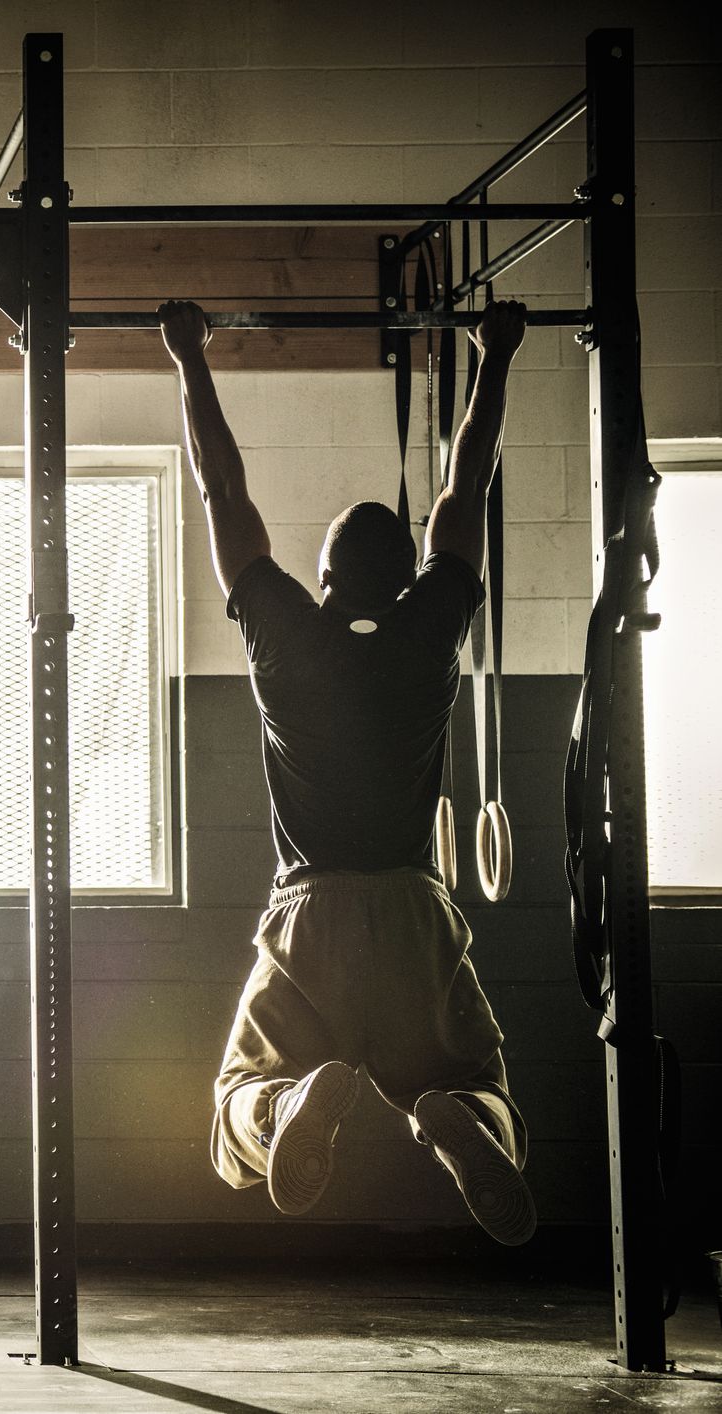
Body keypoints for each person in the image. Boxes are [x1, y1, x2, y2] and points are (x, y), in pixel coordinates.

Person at [162, 296, 537, 1245]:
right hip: (414, 908)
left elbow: (222, 490)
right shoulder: (430, 629)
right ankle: (462, 1125)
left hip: (310, 912)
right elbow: (465, 487)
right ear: (408, 574)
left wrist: (189, 361)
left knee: (237, 1095)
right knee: (476, 1083)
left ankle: (281, 1112)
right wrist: (493, 357)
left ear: (321, 579)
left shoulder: (284, 635)